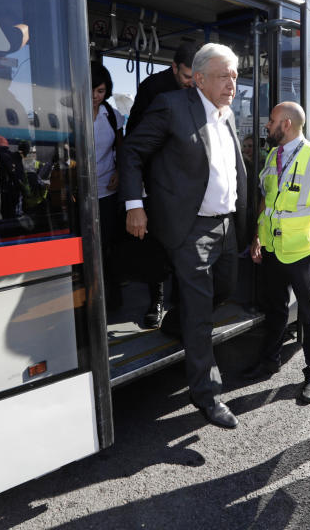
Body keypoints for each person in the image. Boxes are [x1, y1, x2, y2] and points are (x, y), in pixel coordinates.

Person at [119, 43, 247, 429]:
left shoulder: (227, 115)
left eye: (236, 75)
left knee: (225, 289)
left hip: (226, 224)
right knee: (199, 312)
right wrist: (133, 205)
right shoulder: (173, 106)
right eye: (225, 75)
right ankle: (206, 394)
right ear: (201, 77)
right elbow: (132, 152)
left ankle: (176, 324)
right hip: (190, 227)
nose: (232, 82)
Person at [245, 102, 310, 404]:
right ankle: (269, 361)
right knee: (274, 309)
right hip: (272, 249)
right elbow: (266, 201)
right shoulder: (274, 155)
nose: (266, 126)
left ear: (285, 124)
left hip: (302, 252)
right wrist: (256, 237)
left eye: (270, 120)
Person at [125, 42, 197, 326]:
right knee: (156, 245)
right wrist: (136, 194)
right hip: (157, 180)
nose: (192, 83)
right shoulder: (152, 89)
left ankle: (181, 304)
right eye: (186, 77)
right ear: (174, 68)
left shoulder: (201, 88)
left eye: (196, 77)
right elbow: (134, 140)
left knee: (186, 246)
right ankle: (156, 301)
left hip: (189, 181)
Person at [91, 62, 125, 311]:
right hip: (79, 193)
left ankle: (112, 299)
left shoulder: (112, 116)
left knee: (108, 247)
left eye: (101, 91)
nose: (95, 96)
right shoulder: (64, 113)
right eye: (91, 89)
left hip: (106, 191)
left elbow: (122, 149)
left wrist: (119, 170)